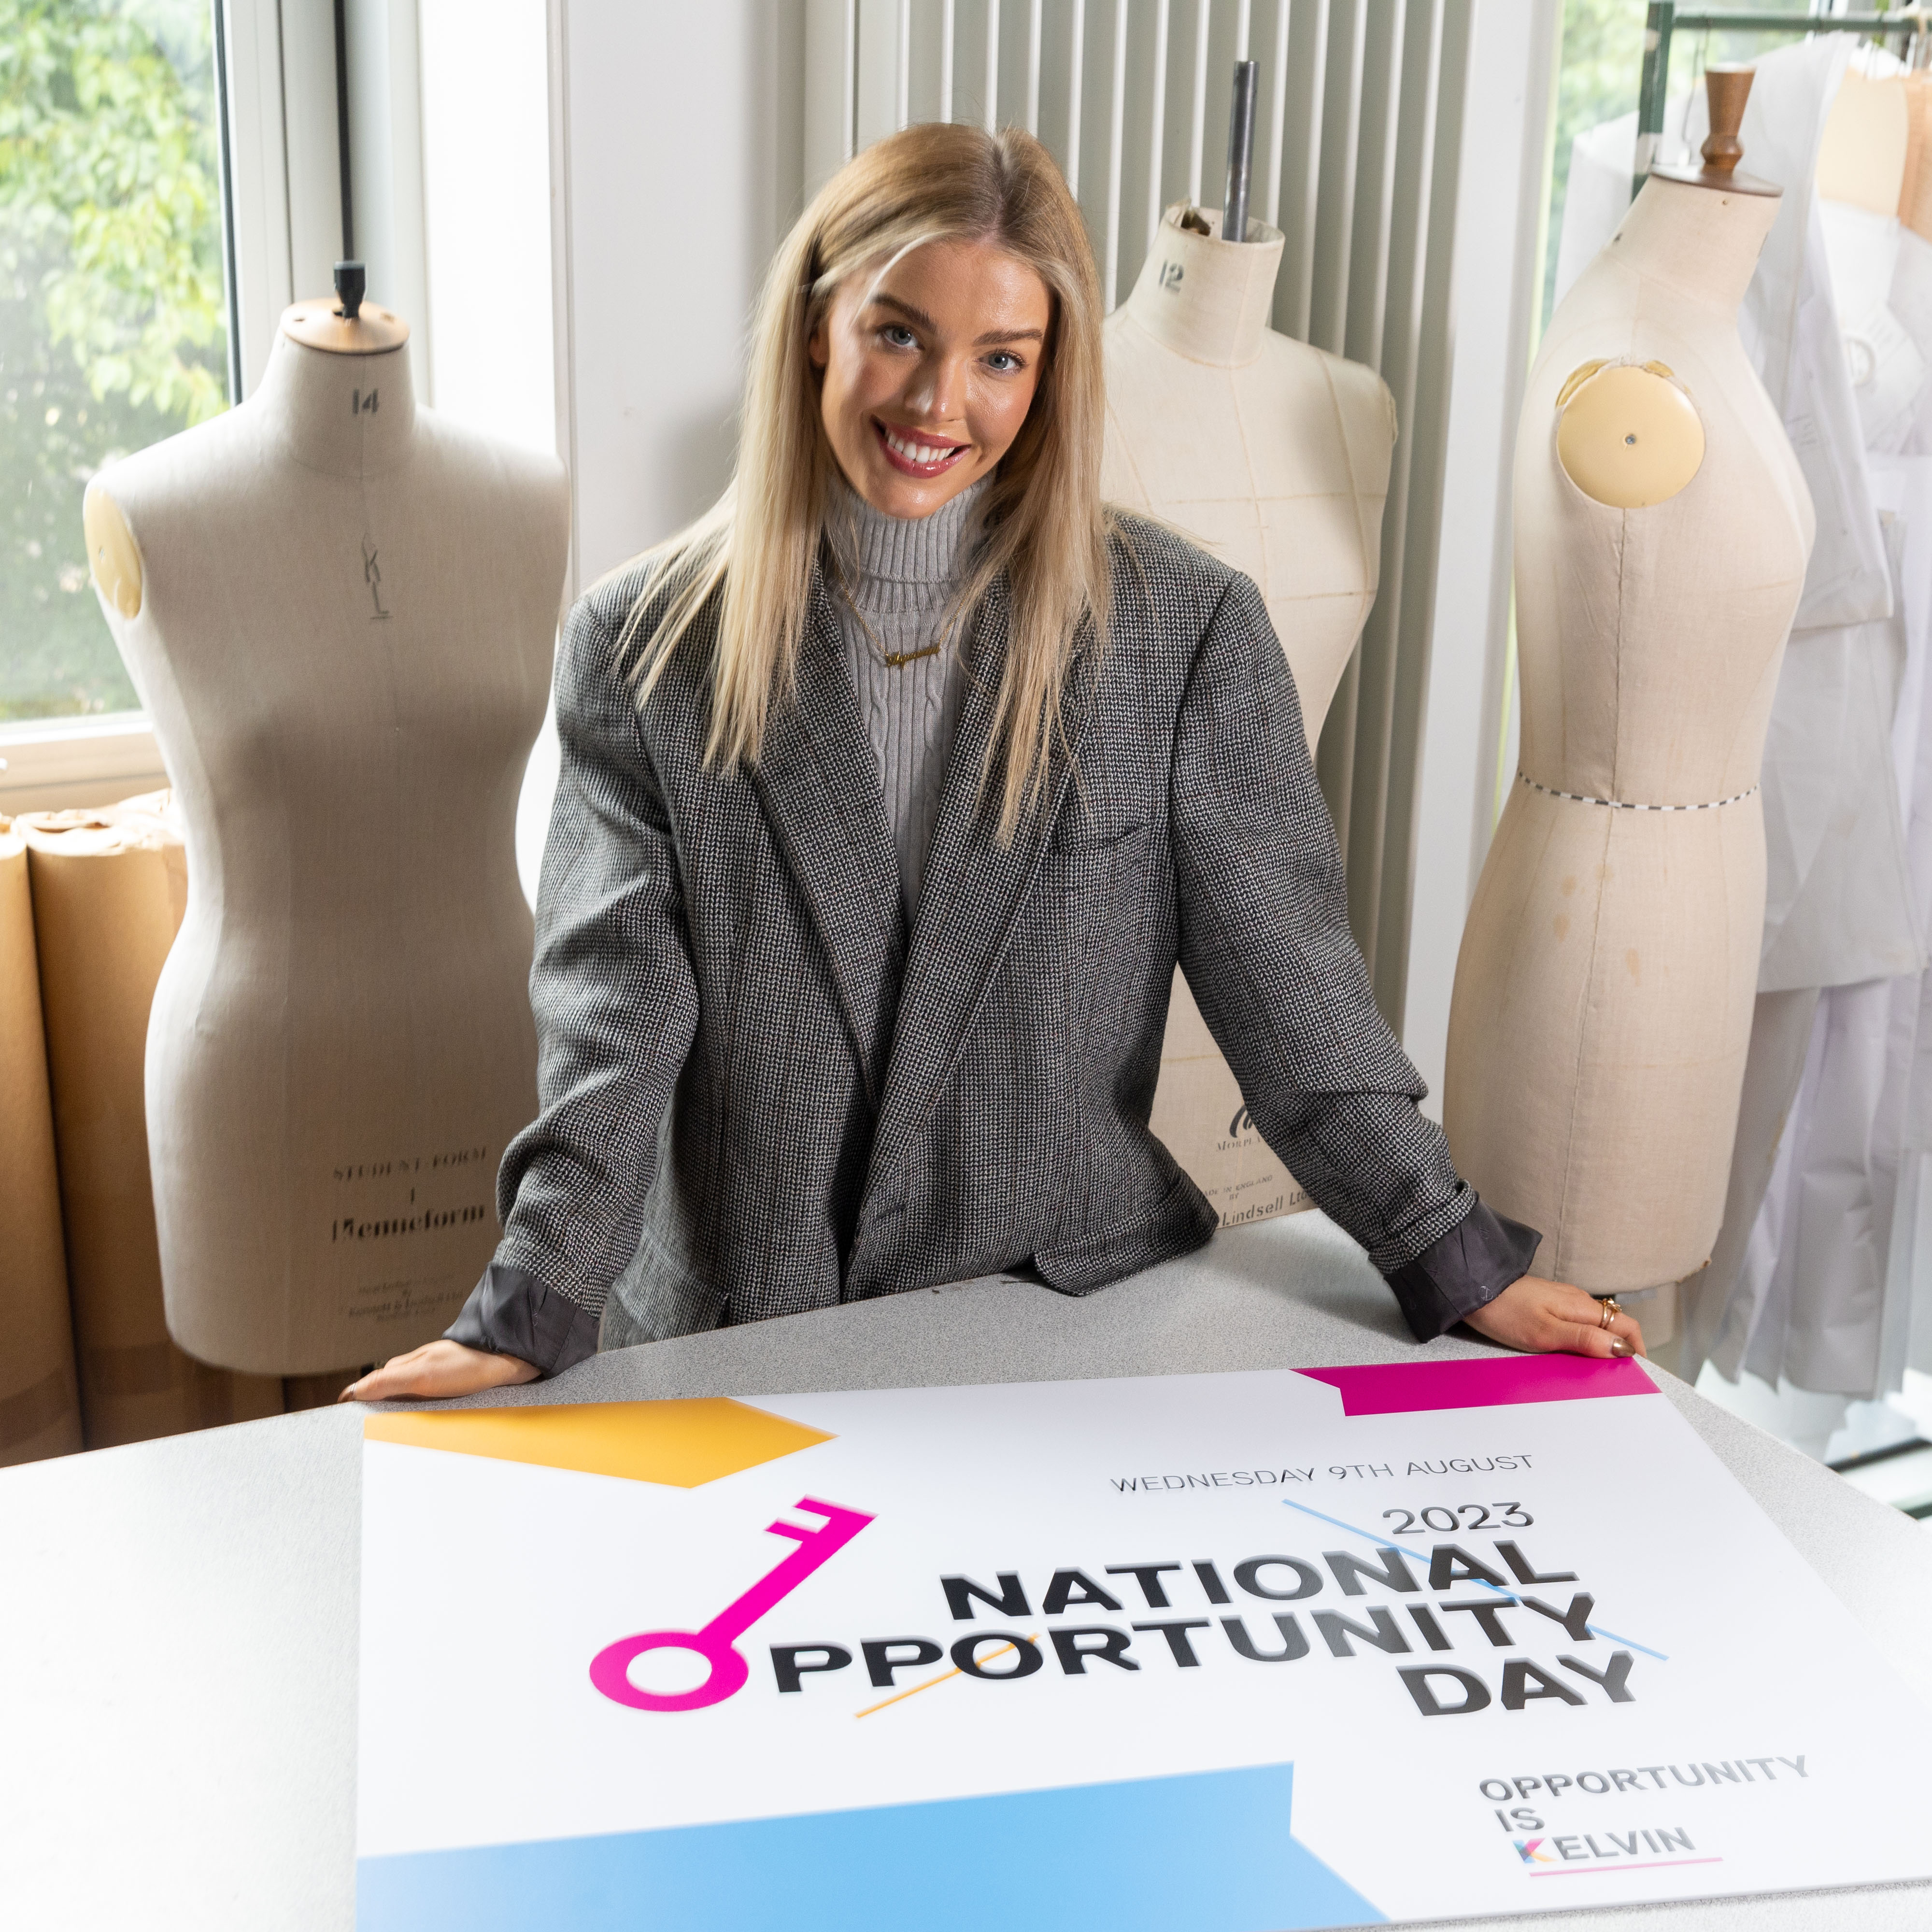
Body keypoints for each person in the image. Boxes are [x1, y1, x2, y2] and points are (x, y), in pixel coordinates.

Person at [344, 123, 1644, 1406]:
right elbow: (614, 1024)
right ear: (818, 323)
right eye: (898, 331)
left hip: (1058, 1315)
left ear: (1049, 376)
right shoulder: (644, 646)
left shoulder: (1181, 632)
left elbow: (1290, 993)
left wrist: (1447, 1247)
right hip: (745, 1338)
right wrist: (535, 1296)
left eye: (1000, 359)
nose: (937, 404)